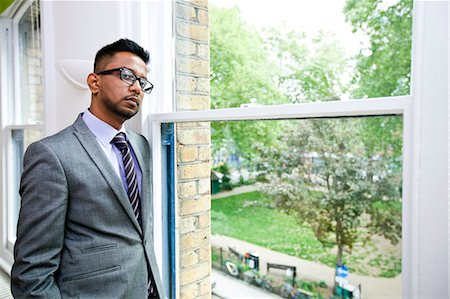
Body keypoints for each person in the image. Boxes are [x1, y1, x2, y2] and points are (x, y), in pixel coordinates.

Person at [11, 38, 165, 299]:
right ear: (94, 82)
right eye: (127, 75)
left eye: (142, 82)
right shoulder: (51, 154)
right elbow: (32, 271)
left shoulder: (141, 145)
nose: (136, 88)